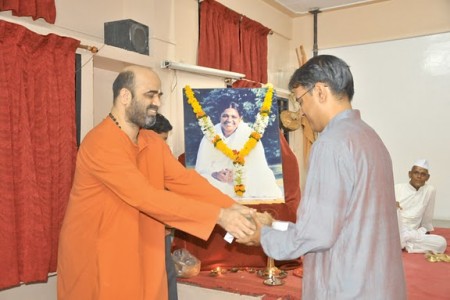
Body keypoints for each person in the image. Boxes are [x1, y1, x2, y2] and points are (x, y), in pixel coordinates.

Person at [57, 65, 258, 300]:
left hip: (143, 248)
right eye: (150, 94)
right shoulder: (100, 143)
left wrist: (233, 207)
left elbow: (186, 182)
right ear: (125, 96)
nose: (157, 102)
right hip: (101, 254)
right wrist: (219, 216)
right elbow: (146, 196)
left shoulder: (152, 141)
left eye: (159, 95)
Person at [239, 55, 406, 299]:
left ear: (320, 91)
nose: (302, 112)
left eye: (300, 101)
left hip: (346, 285)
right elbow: (344, 220)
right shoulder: (371, 138)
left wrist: (262, 235)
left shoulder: (330, 144)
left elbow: (317, 233)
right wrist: (274, 225)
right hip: (380, 283)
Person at [195, 101, 283, 200]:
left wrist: (237, 174)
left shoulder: (250, 134)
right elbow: (201, 166)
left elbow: (259, 165)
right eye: (225, 116)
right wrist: (215, 174)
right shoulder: (209, 135)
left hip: (245, 177)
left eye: (234, 117)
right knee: (202, 183)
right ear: (220, 117)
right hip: (218, 177)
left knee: (262, 183)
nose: (229, 120)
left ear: (240, 119)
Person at [145, 113, 178, 300]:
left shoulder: (164, 157)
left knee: (167, 276)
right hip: (147, 233)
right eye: (162, 140)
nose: (165, 146)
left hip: (163, 230)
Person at [396, 159, 447, 253]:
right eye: (416, 173)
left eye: (423, 174)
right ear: (410, 174)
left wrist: (425, 233)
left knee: (441, 243)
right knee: (394, 210)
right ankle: (402, 242)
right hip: (396, 229)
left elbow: (428, 215)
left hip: (413, 233)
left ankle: (401, 243)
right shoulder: (397, 188)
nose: (419, 176)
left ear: (427, 177)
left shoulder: (430, 190)